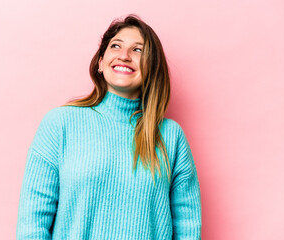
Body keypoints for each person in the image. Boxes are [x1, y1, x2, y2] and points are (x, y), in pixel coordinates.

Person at [16, 14, 201, 239]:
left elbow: (188, 228)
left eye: (138, 50)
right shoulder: (60, 124)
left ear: (151, 68)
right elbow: (33, 223)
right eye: (116, 46)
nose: (124, 56)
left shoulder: (170, 136)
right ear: (101, 62)